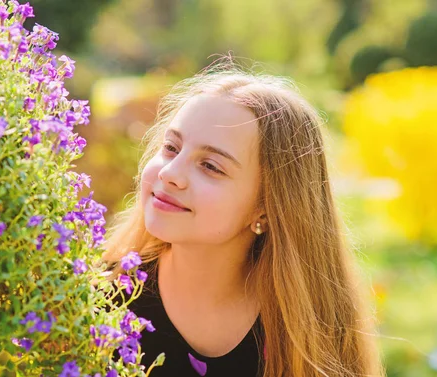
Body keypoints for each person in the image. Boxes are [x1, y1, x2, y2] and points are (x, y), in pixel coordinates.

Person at [101, 59, 383, 377]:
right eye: (170, 147)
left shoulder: (307, 333)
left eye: (210, 166)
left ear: (267, 206)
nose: (170, 173)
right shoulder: (94, 298)